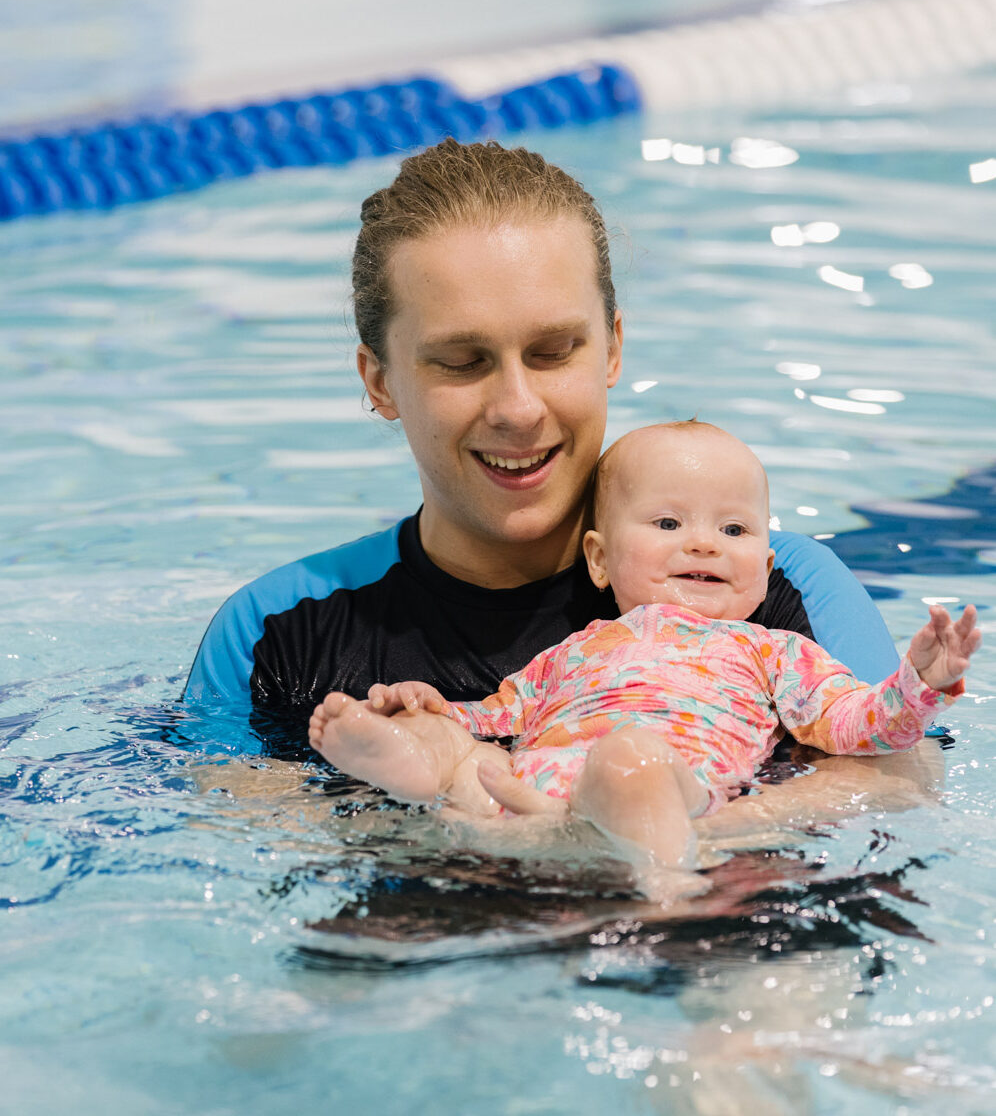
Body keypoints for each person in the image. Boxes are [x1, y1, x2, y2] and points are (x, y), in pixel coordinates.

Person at [183, 139, 899, 760]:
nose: (518, 409)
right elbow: (231, 848)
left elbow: (891, 790)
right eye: (461, 362)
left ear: (612, 349)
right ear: (381, 382)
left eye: (553, 351)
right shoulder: (280, 635)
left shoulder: (763, 587)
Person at [307, 422, 979, 882]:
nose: (704, 543)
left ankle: (665, 889)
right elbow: (501, 712)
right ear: (599, 559)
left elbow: (858, 726)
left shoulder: (774, 651)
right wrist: (435, 712)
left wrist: (916, 681)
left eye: (734, 529)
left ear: (766, 565)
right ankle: (408, 760)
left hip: (658, 782)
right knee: (463, 752)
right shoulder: (576, 648)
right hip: (524, 788)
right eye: (667, 523)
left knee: (629, 758)